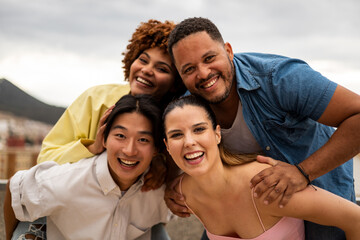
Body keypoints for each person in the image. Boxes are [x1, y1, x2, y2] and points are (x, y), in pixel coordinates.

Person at [166, 17, 360, 239]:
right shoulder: (189, 107)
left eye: (209, 58)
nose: (202, 73)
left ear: (228, 51)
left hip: (319, 190)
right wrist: (172, 181)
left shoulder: (280, 78)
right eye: (189, 69)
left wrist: (303, 172)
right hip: (250, 209)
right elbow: (169, 138)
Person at [9, 19, 186, 240]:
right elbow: (46, 161)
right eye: (143, 60)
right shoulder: (95, 99)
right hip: (65, 214)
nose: (147, 70)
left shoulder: (175, 118)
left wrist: (162, 164)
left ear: (176, 82)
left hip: (127, 214)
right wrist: (92, 148)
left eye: (161, 68)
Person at [162, 95, 360, 240]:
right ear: (167, 146)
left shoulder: (263, 184)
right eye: (176, 135)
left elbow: (355, 219)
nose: (189, 142)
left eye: (199, 129)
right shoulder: (181, 194)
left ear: (217, 134)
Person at [4, 94, 173, 240]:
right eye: (120, 136)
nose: (129, 150)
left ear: (156, 149)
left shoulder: (158, 189)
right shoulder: (68, 181)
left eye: (143, 140)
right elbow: (15, 188)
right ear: (104, 139)